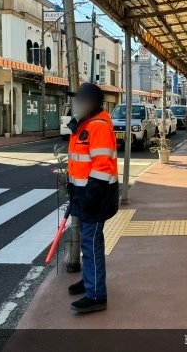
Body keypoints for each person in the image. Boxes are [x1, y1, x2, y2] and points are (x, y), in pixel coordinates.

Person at [65, 83, 119, 313]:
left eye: (79, 101)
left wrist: (89, 197)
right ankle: (90, 279)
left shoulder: (97, 126)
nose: (74, 105)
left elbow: (101, 167)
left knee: (91, 243)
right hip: (84, 194)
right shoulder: (84, 124)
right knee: (90, 242)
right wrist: (73, 189)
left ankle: (96, 294)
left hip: (95, 196)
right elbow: (78, 161)